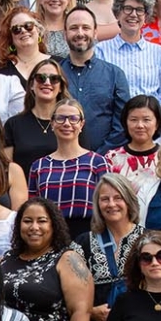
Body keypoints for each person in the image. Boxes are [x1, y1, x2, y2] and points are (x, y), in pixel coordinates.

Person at [76, 174, 144, 321]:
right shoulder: (82, 243)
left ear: (129, 200)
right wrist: (90, 311)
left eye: (118, 198)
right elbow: (68, 291)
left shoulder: (148, 240)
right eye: (104, 199)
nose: (111, 204)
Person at [27, 98, 108, 238]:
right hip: (50, 237)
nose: (66, 123)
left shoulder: (97, 162)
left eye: (73, 119)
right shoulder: (39, 166)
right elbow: (33, 209)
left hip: (89, 235)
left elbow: (107, 205)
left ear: (81, 124)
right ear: (52, 123)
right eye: (60, 118)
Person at [59, 6, 128, 153]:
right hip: (60, 161)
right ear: (64, 34)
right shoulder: (55, 75)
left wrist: (98, 157)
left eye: (86, 28)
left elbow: (122, 125)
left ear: (95, 32)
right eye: (73, 28)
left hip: (104, 162)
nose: (80, 33)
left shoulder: (115, 75)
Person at [4, 56, 68, 172]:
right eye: (41, 78)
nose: (47, 83)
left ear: (60, 87)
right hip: (24, 189)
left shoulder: (71, 123)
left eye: (54, 79)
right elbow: (7, 170)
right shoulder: (13, 125)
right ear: (32, 85)